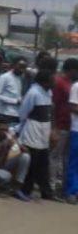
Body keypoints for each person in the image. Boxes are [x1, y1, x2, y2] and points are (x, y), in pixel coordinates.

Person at [17, 70, 57, 201]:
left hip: (44, 130)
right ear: (44, 82)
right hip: (33, 130)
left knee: (43, 164)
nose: (54, 82)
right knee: (32, 163)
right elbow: (23, 113)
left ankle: (46, 192)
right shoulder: (33, 93)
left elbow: (50, 111)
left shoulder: (49, 92)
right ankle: (24, 190)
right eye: (52, 80)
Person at [50, 58, 77, 199]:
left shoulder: (71, 84)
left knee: (66, 159)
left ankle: (65, 188)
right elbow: (53, 105)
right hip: (60, 124)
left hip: (70, 125)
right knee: (55, 156)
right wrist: (53, 127)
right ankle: (52, 186)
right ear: (71, 70)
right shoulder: (60, 82)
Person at [0, 58, 27, 124]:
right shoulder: (5, 77)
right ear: (14, 65)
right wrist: (15, 101)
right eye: (20, 66)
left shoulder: (21, 78)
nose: (22, 69)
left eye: (24, 67)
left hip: (17, 114)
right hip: (5, 114)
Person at [66, 68, 78, 204]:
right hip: (76, 129)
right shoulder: (76, 86)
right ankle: (71, 191)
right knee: (74, 162)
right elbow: (73, 107)